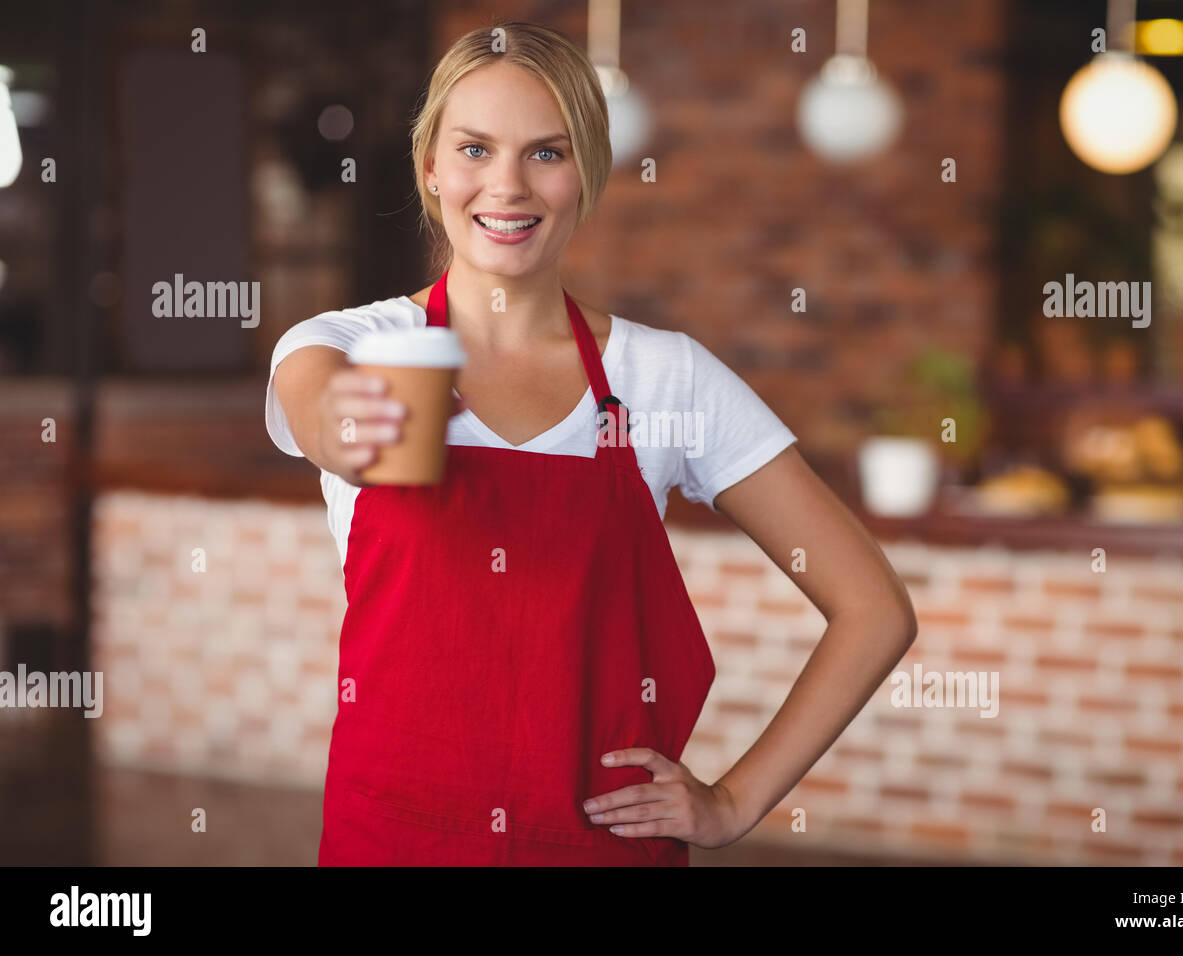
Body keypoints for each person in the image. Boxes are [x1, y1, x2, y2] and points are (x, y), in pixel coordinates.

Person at [266, 19, 917, 866]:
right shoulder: (351, 346)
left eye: (547, 152)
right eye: (473, 149)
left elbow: (873, 610)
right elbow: (324, 416)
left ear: (588, 175)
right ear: (430, 167)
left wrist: (732, 803)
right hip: (393, 838)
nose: (506, 186)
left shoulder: (663, 378)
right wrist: (357, 425)